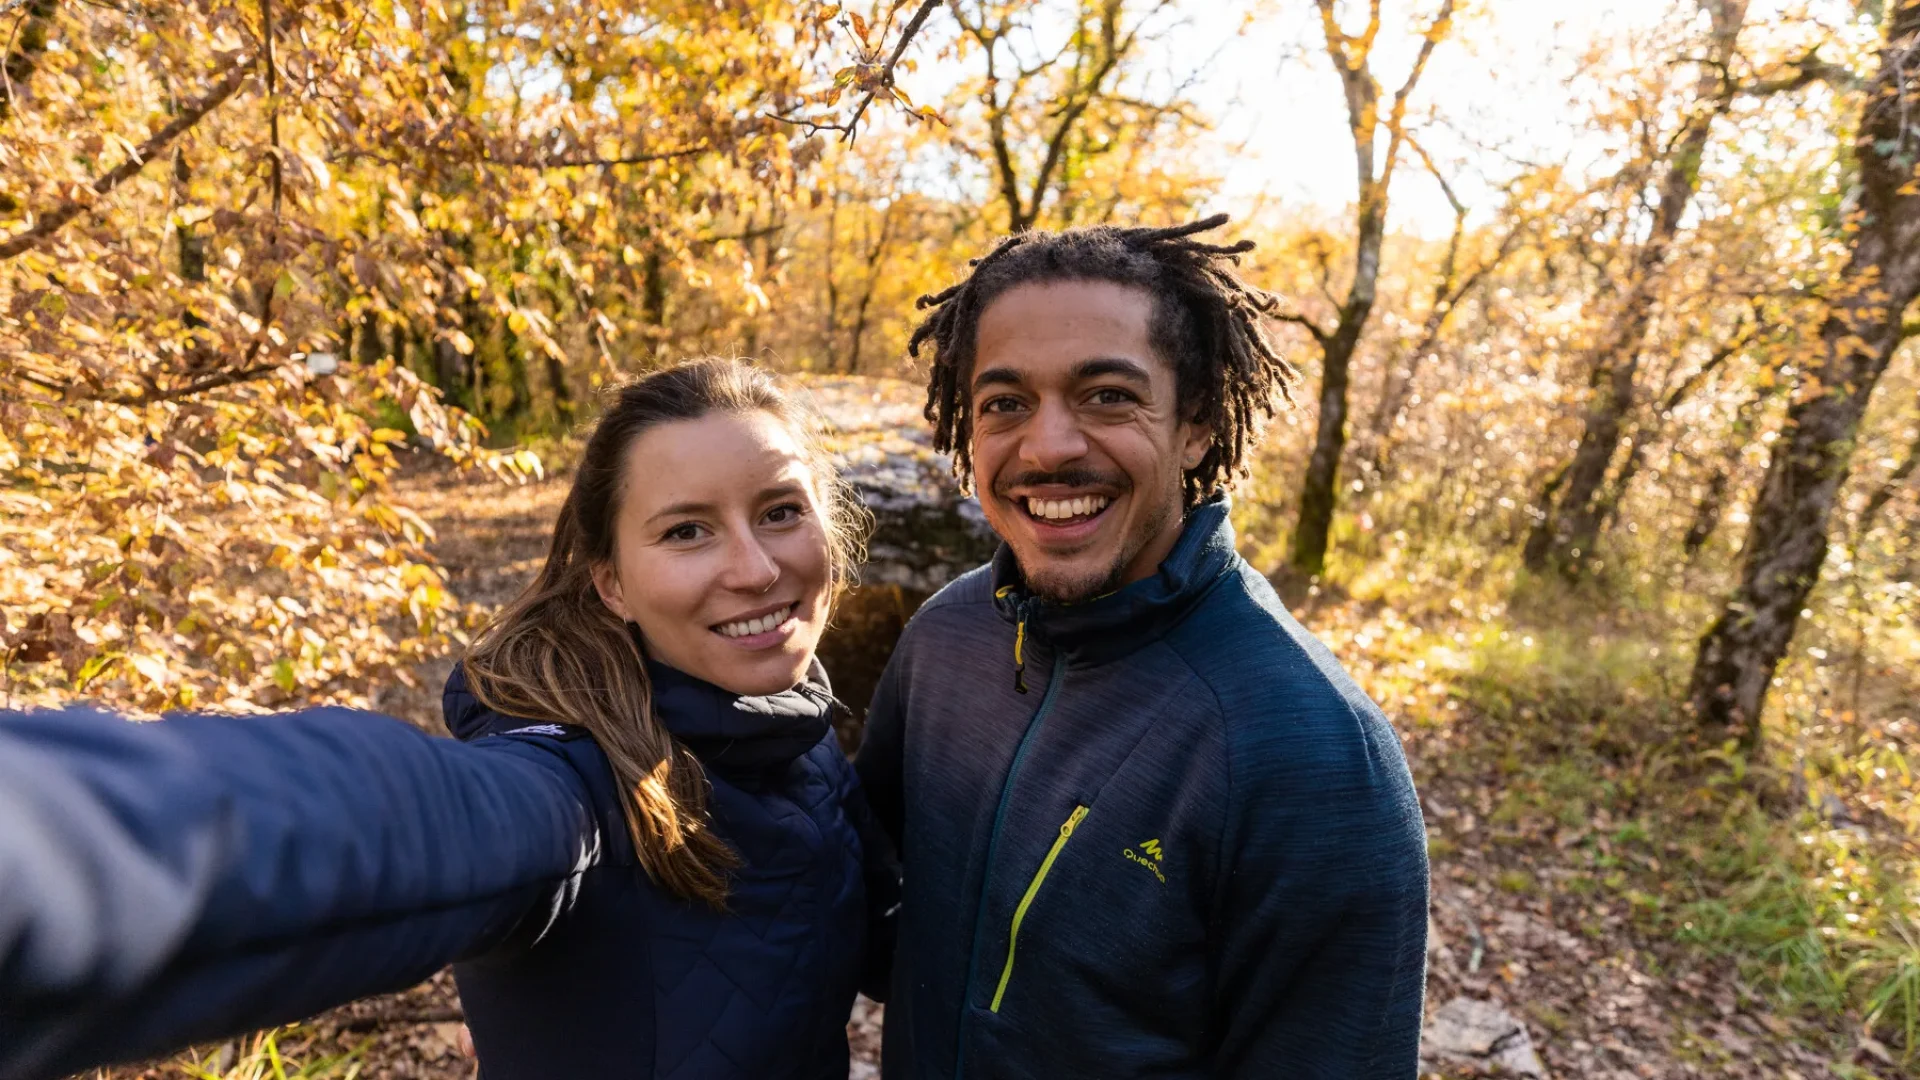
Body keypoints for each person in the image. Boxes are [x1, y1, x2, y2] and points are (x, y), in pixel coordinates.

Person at [0, 358, 892, 1080]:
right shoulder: (577, 786)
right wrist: (59, 850)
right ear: (610, 581)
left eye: (780, 513)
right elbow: (393, 822)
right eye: (687, 531)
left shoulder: (797, 737)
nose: (753, 567)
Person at [854, 215, 1430, 1079]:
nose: (1048, 446)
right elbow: (868, 909)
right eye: (1005, 403)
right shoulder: (946, 638)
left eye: (1107, 396)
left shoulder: (1311, 752)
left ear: (1195, 424)